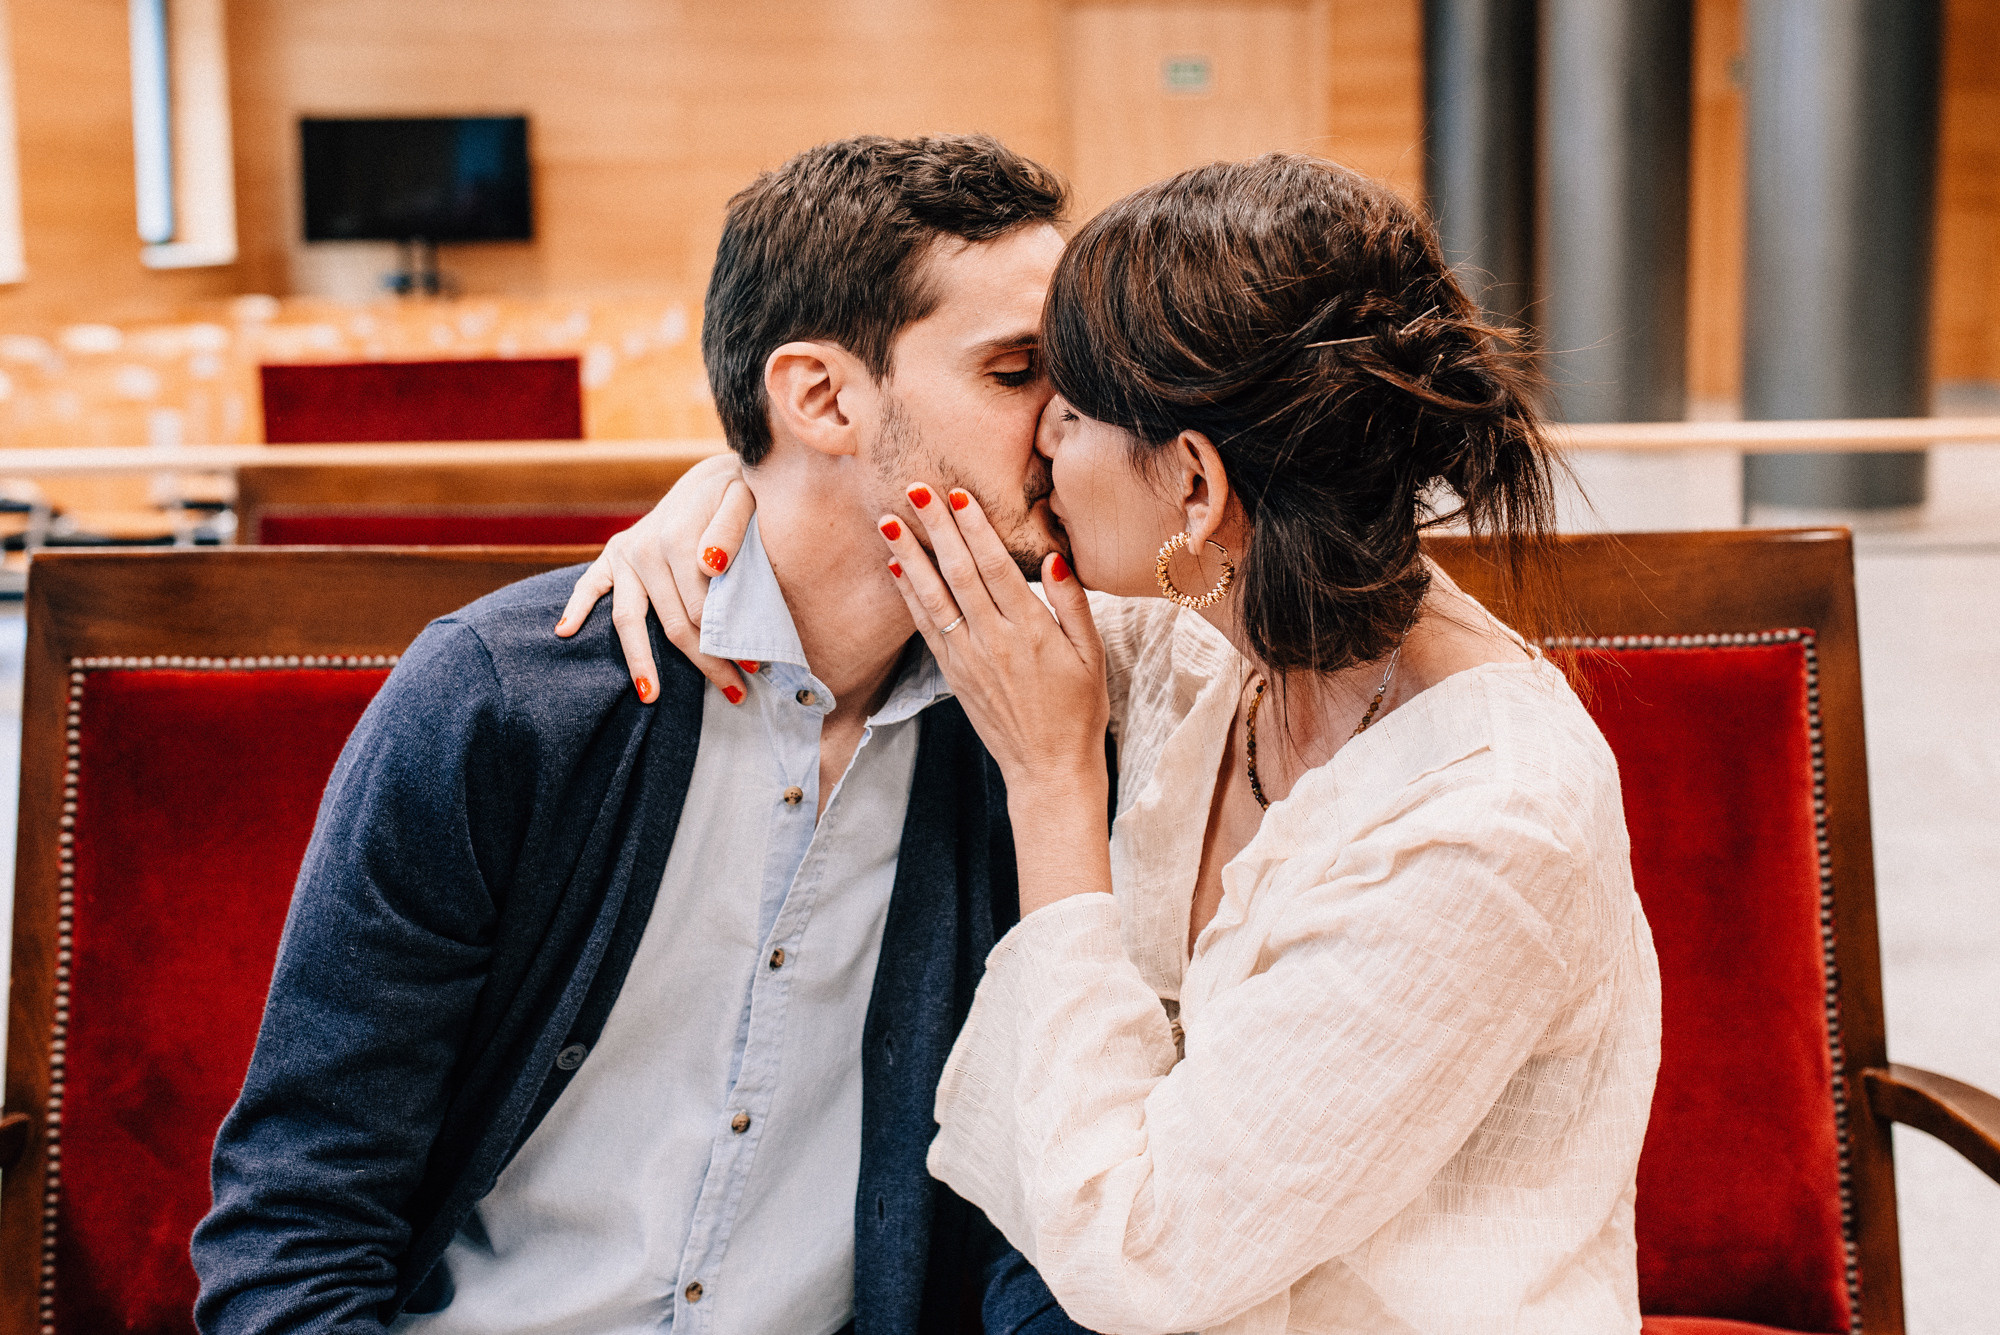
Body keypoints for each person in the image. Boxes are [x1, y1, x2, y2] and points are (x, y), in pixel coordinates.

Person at [569, 154, 1662, 1334]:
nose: (1037, 440)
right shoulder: (1195, 636)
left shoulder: (1483, 826)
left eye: (1070, 407)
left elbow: (1137, 1260)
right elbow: (857, 496)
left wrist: (1051, 788)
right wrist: (726, 493)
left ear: (1192, 488)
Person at [191, 134, 1095, 1335]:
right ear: (820, 397)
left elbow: (1034, 1220)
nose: (1064, 422)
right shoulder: (503, 704)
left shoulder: (1039, 728)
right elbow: (296, 1223)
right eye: (1016, 371)